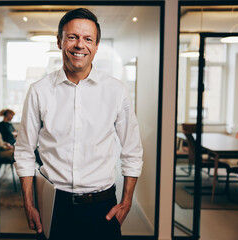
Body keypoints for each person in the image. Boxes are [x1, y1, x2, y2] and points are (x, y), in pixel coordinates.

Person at [14, 8, 143, 240]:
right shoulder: (39, 91)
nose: (79, 45)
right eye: (72, 37)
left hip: (102, 207)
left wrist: (126, 201)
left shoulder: (116, 91)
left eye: (88, 39)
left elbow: (132, 150)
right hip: (55, 205)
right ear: (60, 41)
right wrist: (28, 203)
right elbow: (24, 152)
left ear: (96, 45)